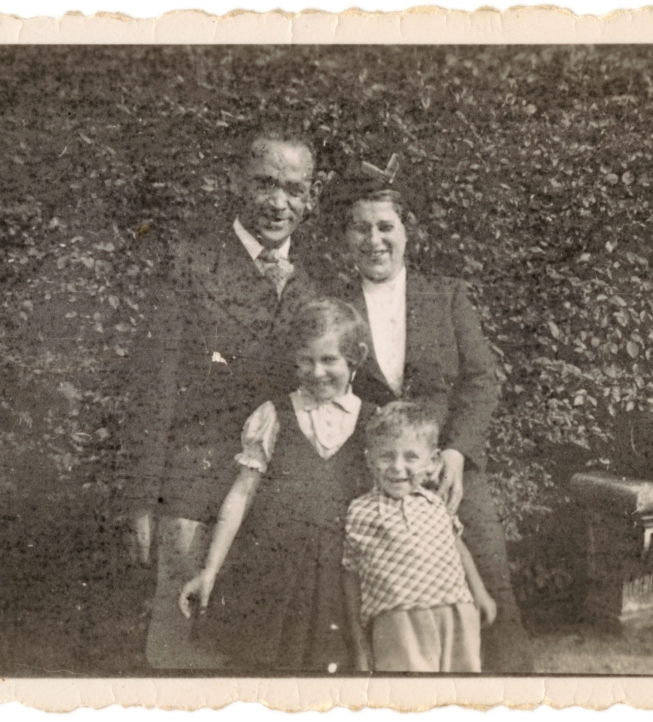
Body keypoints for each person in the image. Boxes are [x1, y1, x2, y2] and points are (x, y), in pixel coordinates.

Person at [118, 126, 324, 668]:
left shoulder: (317, 280)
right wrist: (143, 497)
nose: (279, 203)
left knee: (261, 648)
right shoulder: (190, 263)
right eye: (265, 184)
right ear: (239, 183)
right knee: (182, 644)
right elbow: (154, 387)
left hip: (277, 493)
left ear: (310, 197)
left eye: (294, 189)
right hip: (193, 485)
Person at [330, 162, 536, 672]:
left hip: (449, 472)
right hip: (375, 481)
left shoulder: (446, 295)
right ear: (345, 237)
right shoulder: (334, 306)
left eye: (385, 226)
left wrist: (457, 452)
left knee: (488, 583)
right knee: (392, 606)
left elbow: (481, 380)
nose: (374, 239)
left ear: (407, 233)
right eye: (361, 227)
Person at [177, 298, 375, 672]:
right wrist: (210, 570)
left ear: (356, 358)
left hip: (343, 580)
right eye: (305, 360)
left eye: (329, 359)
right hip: (273, 576)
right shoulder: (275, 415)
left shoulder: (374, 423)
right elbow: (241, 494)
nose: (316, 372)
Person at [343, 401, 497, 672]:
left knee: (462, 688)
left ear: (433, 461)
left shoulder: (436, 504)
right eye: (386, 456)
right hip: (397, 618)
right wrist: (359, 642)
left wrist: (480, 593)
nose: (397, 467)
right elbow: (351, 574)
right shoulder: (360, 511)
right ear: (369, 460)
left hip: (455, 611)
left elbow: (457, 547)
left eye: (411, 457)